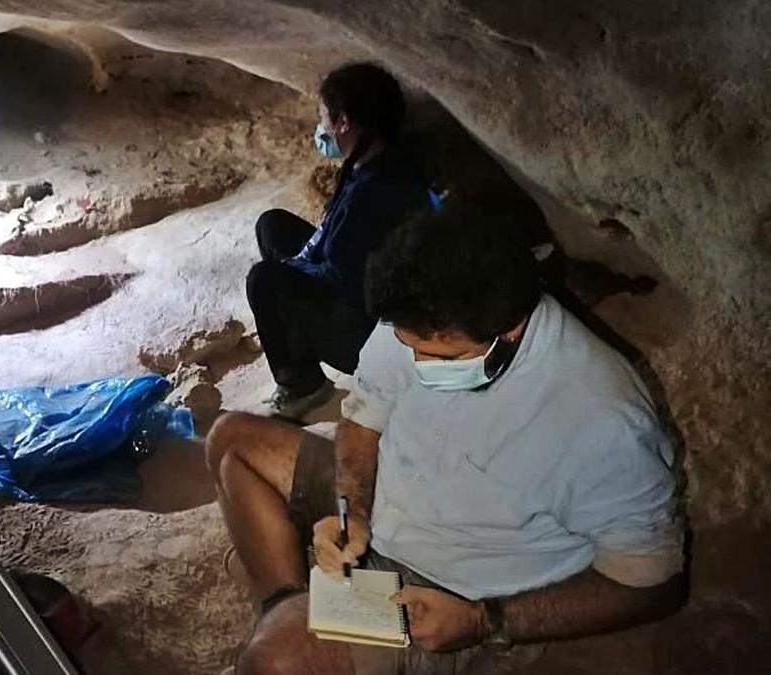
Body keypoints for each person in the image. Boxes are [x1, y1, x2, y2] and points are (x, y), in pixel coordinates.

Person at [207, 202, 685, 674]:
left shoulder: (603, 421)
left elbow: (652, 582)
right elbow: (364, 416)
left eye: (441, 357)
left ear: (510, 330)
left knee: (274, 662)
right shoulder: (424, 312)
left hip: (442, 592)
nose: (418, 366)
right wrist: (352, 509)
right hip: (384, 505)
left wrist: (485, 621)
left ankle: (302, 628)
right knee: (230, 441)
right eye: (412, 349)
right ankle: (292, 608)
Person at [249, 62, 433, 419]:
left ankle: (303, 387)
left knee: (264, 281)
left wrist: (289, 274)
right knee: (272, 227)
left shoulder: (373, 194)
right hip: (356, 278)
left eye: (324, 119)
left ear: (344, 122)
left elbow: (341, 279)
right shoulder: (377, 162)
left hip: (367, 333)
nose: (321, 130)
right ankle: (295, 345)